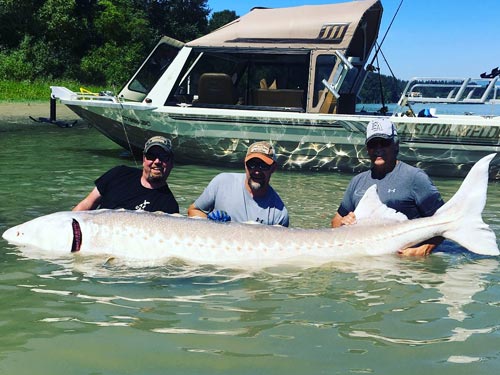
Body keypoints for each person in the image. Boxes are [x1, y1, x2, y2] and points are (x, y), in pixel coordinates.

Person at [331, 118, 444, 256]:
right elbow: (336, 220)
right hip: (366, 262)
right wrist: (343, 222)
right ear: (367, 148)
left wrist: (425, 249)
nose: (378, 149)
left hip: (406, 266)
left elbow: (445, 221)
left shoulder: (415, 178)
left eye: (384, 143)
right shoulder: (357, 181)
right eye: (373, 144)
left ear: (395, 145)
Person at [187, 141, 289, 226]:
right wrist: (208, 222)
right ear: (245, 164)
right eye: (252, 164)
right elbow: (193, 210)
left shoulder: (279, 214)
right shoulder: (222, 182)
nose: (257, 171)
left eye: (263, 165)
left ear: (273, 168)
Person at [73, 136, 179, 213]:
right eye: (151, 155)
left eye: (163, 156)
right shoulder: (118, 174)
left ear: (171, 162)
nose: (157, 161)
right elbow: (87, 203)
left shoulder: (169, 206)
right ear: (144, 159)